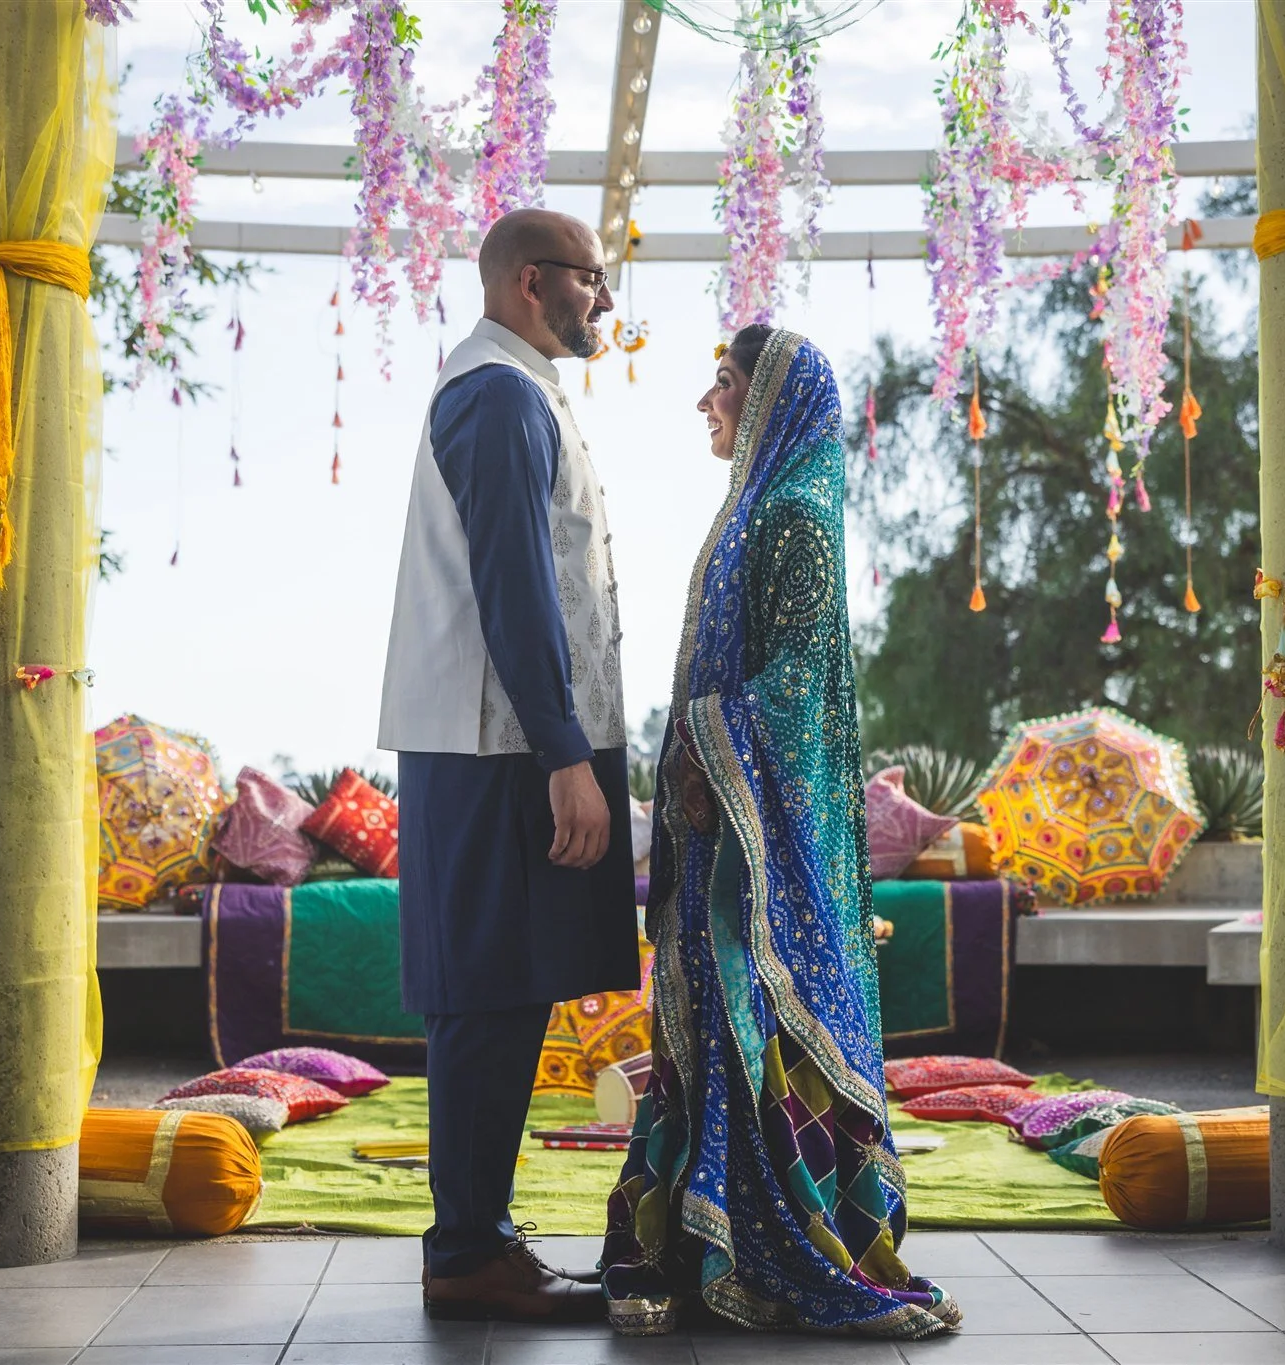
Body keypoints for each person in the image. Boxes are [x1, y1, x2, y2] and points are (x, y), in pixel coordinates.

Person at [598, 327, 960, 1339]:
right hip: (722, 825)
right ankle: (691, 1246)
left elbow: (798, 684)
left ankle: (766, 1252)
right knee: (708, 1030)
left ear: (769, 401)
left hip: (754, 845)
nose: (705, 402)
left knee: (750, 1026)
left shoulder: (791, 513)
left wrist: (704, 741)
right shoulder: (753, 508)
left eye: (722, 384)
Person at [378, 208, 640, 1322]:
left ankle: (476, 1239)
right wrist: (563, 754)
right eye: (591, 279)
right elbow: (515, 583)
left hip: (503, 741)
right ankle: (467, 1253)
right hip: (497, 746)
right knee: (487, 995)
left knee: (505, 990)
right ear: (531, 281)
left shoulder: (516, 387)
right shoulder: (496, 395)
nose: (604, 300)